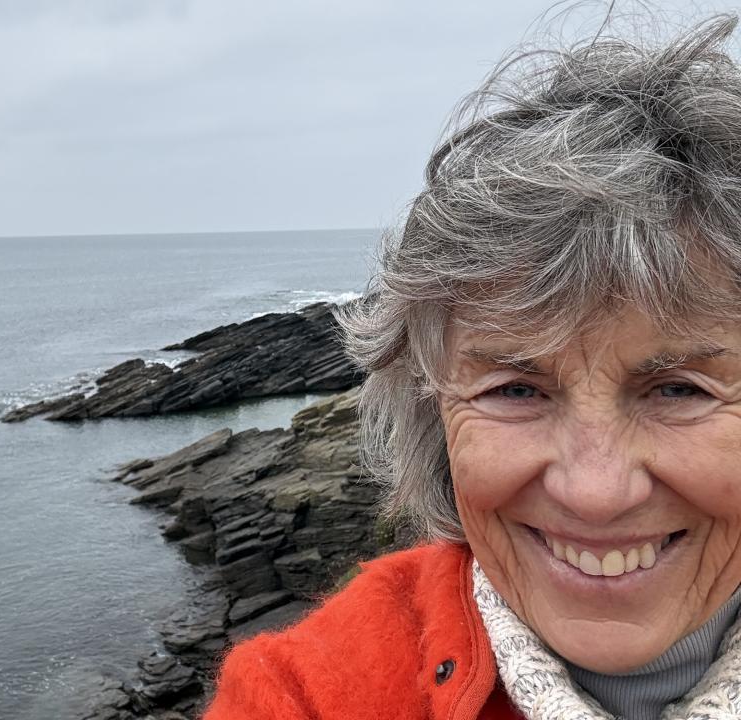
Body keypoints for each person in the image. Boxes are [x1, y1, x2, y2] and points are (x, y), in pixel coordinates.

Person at [202, 9, 741, 720]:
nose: (596, 493)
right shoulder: (306, 697)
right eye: (516, 389)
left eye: (678, 388)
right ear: (434, 420)